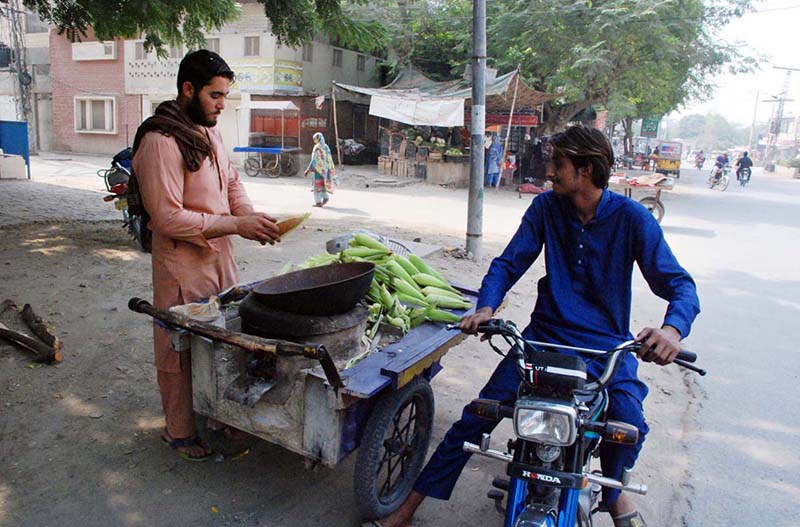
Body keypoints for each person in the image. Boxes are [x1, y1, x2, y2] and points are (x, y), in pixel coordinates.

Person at [370, 126, 700, 527]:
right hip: (541, 341)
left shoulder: (632, 219)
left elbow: (679, 284)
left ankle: (612, 496)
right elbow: (509, 262)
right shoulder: (546, 208)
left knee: (628, 423)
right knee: (474, 418)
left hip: (606, 348)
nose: (550, 172)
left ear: (586, 170)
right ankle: (406, 512)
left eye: (558, 164)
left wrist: (671, 332)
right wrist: (487, 307)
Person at [132, 50, 281, 461]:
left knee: (223, 339)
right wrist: (235, 225)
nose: (221, 104)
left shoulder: (210, 133)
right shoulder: (160, 141)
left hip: (219, 257)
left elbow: (231, 181)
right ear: (188, 89)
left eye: (226, 96)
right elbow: (165, 218)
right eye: (215, 95)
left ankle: (218, 415)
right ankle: (178, 431)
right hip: (181, 262)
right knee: (178, 347)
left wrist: (248, 215)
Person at [304, 132, 337, 207]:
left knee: (317, 187)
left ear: (318, 139)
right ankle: (325, 197)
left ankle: (318, 202)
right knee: (323, 185)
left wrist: (308, 170)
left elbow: (313, 160)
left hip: (317, 170)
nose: (314, 140)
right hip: (325, 170)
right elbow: (329, 159)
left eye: (314, 139)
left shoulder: (317, 147)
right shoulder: (326, 147)